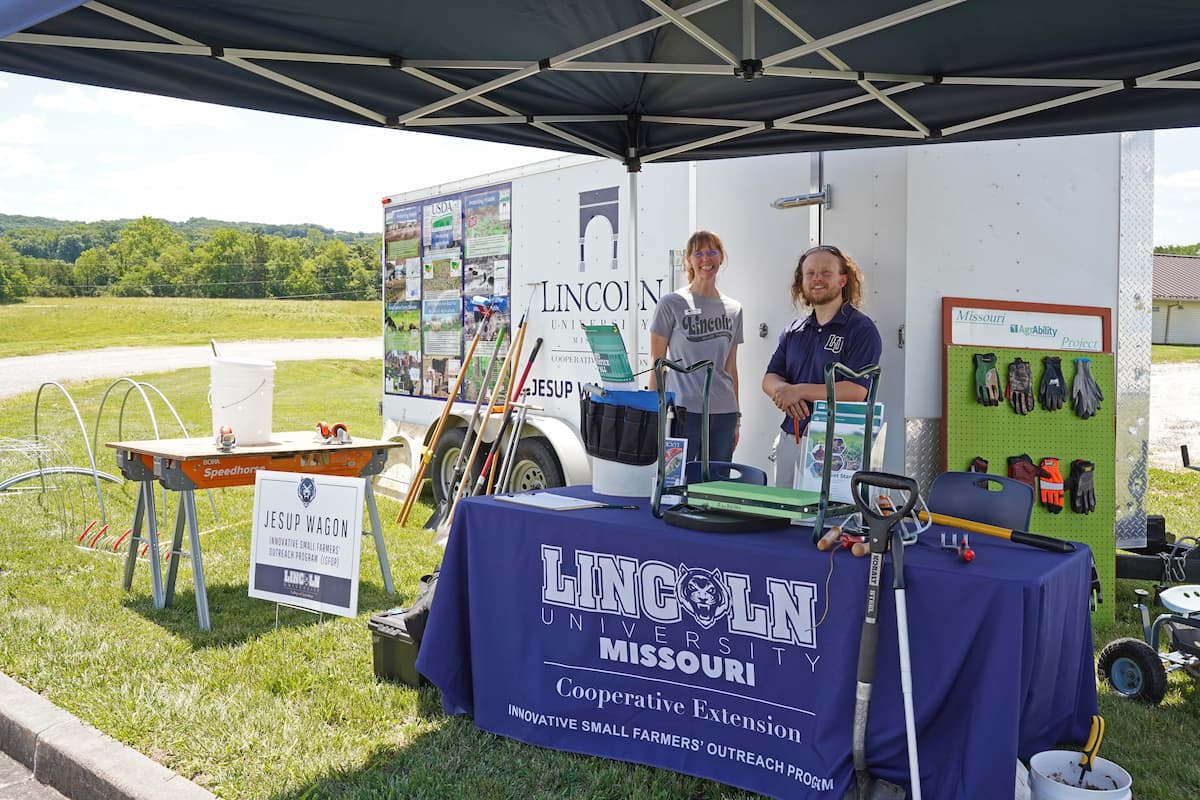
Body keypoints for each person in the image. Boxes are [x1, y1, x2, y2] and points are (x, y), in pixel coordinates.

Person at [762, 245, 882, 488]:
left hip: (837, 444)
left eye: (826, 272)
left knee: (828, 520)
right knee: (786, 518)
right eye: (810, 273)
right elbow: (770, 378)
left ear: (843, 279)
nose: (817, 278)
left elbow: (856, 391)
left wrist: (800, 391)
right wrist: (784, 391)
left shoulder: (861, 330)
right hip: (790, 437)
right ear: (802, 281)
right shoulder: (794, 330)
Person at [648, 230, 744, 463]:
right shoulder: (671, 303)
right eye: (698, 253)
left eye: (712, 252)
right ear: (689, 260)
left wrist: (737, 418)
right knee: (677, 483)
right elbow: (657, 362)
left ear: (721, 258)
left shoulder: (734, 309)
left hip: (723, 414)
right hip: (683, 413)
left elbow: (730, 367)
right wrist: (653, 414)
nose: (706, 259)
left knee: (716, 487)